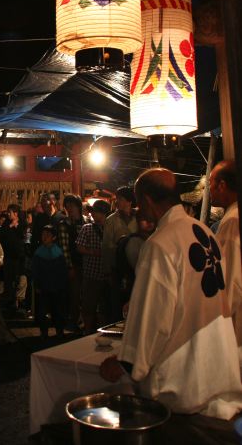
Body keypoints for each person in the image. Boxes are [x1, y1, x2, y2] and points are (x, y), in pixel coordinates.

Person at [100, 168, 242, 435]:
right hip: (219, 369)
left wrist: (127, 362)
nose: (138, 209)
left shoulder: (160, 245)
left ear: (148, 201)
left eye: (139, 202)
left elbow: (151, 317)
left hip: (186, 386)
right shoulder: (204, 232)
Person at [210, 159, 242, 363]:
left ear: (222, 185)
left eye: (211, 183)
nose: (209, 189)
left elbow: (231, 283)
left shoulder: (232, 222)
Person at [102, 186, 137, 321]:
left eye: (121, 199)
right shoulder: (111, 220)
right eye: (117, 199)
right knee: (117, 303)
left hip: (136, 268)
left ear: (129, 201)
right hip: (117, 269)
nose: (117, 202)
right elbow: (106, 247)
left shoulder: (139, 217)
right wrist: (108, 271)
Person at [76, 199, 109, 334]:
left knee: (105, 307)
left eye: (96, 212)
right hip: (91, 274)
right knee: (88, 305)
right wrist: (94, 252)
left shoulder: (110, 227)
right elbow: (79, 247)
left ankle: (103, 332)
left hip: (107, 274)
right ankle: (88, 332)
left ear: (103, 213)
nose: (93, 214)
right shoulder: (87, 228)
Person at [55, 194, 85, 332]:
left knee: (86, 294)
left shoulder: (87, 222)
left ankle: (85, 322)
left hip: (89, 264)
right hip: (74, 264)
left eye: (72, 205)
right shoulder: (64, 224)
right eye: (67, 206)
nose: (69, 208)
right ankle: (74, 322)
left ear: (78, 206)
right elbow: (64, 247)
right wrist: (69, 266)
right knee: (74, 294)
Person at [31, 224, 67, 339]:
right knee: (43, 311)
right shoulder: (38, 253)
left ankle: (59, 330)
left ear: (54, 237)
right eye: (43, 234)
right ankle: (44, 331)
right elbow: (35, 271)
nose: (45, 236)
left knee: (58, 310)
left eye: (48, 234)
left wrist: (62, 284)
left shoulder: (58, 253)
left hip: (57, 287)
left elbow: (62, 271)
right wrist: (36, 284)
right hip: (44, 287)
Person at [0, 203, 26, 314]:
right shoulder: (6, 223)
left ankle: (18, 303)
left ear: (16, 213)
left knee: (18, 279)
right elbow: (2, 234)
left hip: (18, 256)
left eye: (10, 212)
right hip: (8, 256)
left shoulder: (22, 223)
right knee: (8, 279)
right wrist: (10, 226)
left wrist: (16, 226)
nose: (8, 214)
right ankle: (9, 302)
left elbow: (22, 235)